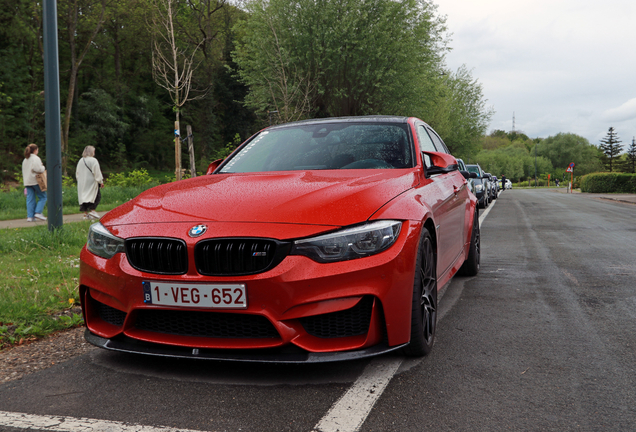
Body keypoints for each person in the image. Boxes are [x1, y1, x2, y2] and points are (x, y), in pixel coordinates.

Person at [76, 145, 104, 219]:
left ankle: (85, 214)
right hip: (91, 182)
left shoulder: (81, 160)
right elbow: (97, 172)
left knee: (84, 197)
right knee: (95, 195)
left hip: (82, 182)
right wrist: (100, 181)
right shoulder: (93, 160)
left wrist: (79, 180)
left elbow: (77, 173)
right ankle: (92, 211)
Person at [22, 143, 47, 222]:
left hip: (27, 181)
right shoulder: (35, 158)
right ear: (35, 150)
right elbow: (38, 169)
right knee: (43, 196)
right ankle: (38, 212)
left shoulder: (26, 159)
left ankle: (30, 216)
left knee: (30, 198)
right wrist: (43, 167)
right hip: (36, 180)